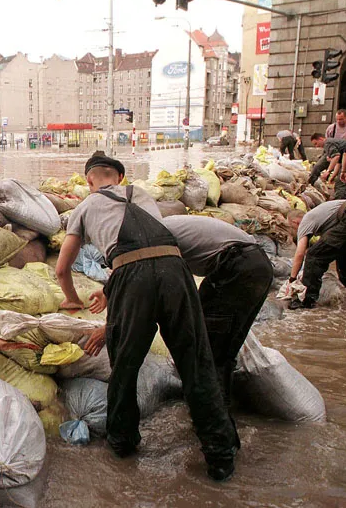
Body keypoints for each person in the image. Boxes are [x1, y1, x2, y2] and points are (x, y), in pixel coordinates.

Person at [56, 151, 239, 482]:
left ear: (88, 180)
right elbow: (148, 248)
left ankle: (122, 445)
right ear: (120, 178)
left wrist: (71, 299)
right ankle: (221, 455)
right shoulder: (141, 194)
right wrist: (111, 288)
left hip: (132, 278)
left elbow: (61, 268)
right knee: (196, 363)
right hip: (175, 271)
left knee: (125, 366)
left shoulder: (84, 207)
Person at [161, 215, 274, 409]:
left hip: (236, 267)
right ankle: (219, 412)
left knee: (211, 351)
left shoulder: (156, 236)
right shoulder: (167, 226)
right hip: (257, 265)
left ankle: (213, 418)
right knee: (225, 348)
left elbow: (163, 285)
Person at [308, 133, 346, 198]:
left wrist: (328, 171)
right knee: (341, 183)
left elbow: (336, 157)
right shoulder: (333, 143)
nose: (317, 146)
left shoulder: (327, 143)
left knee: (341, 185)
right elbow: (338, 162)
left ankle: (339, 203)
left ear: (321, 139)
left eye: (316, 143)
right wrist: (333, 176)